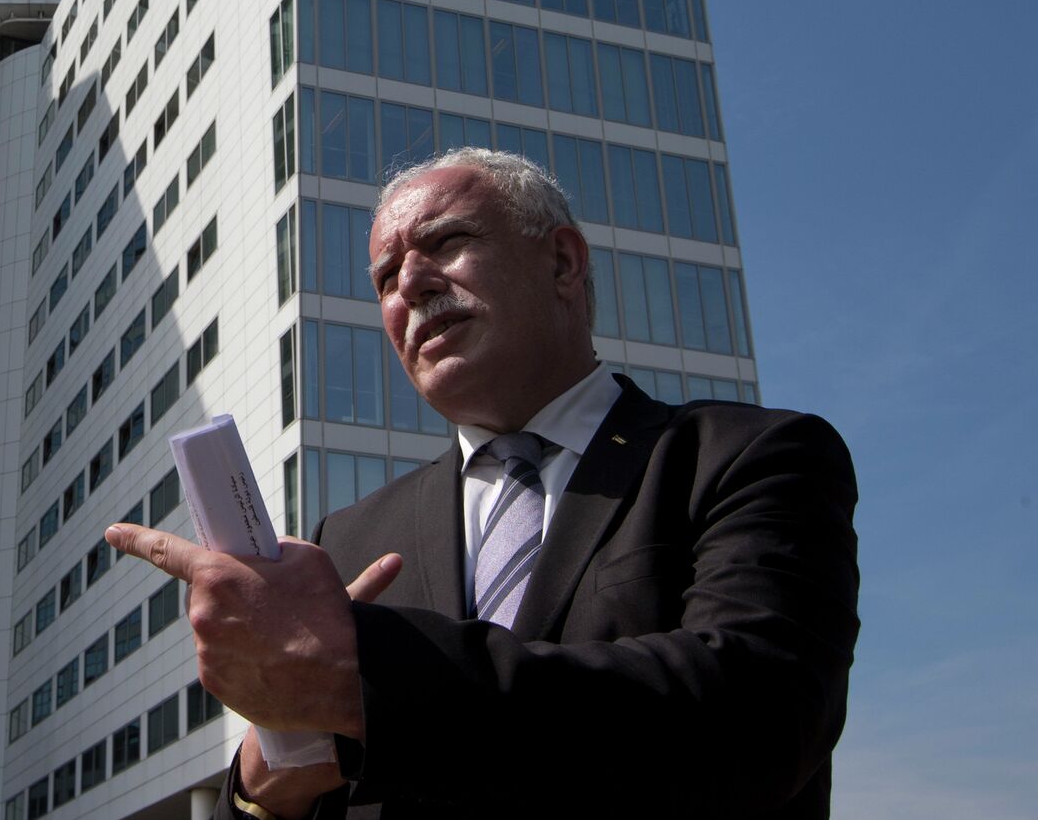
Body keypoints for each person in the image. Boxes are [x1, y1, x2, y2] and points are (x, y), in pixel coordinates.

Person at [106, 149, 859, 818]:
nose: (410, 284)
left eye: (446, 242)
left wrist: (365, 675)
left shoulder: (747, 456)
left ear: (563, 263)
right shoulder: (351, 538)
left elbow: (758, 718)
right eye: (384, 277)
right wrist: (269, 778)